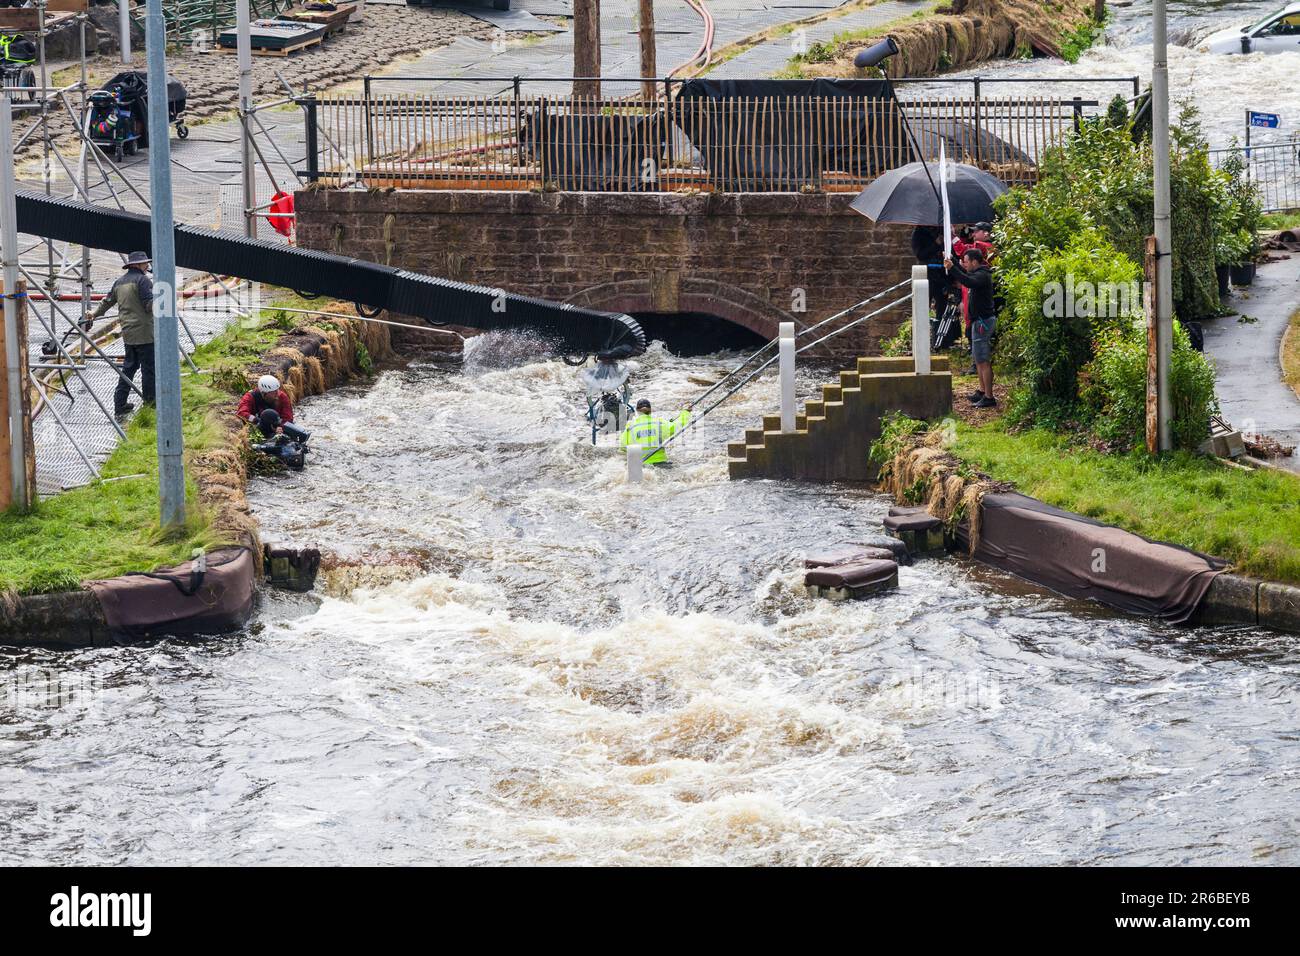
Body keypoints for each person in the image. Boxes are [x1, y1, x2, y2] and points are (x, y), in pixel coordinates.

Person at [86, 251, 155, 417]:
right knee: (148, 369)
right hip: (145, 333)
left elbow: (107, 301)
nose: (147, 266)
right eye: (145, 263)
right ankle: (150, 403)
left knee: (129, 368)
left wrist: (93, 314)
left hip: (128, 333)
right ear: (138, 265)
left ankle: (120, 403)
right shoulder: (143, 280)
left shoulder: (119, 282)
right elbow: (148, 305)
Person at [945, 247, 997, 409]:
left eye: (966, 262)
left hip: (982, 322)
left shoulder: (982, 275)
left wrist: (952, 268)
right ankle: (982, 391)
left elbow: (967, 281)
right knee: (978, 358)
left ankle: (989, 396)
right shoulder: (976, 272)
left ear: (974, 262)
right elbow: (966, 275)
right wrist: (953, 261)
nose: (964, 265)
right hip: (977, 321)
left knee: (982, 360)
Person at [620, 397, 690, 465]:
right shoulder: (659, 423)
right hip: (661, 463)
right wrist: (686, 412)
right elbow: (678, 425)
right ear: (650, 410)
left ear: (637, 411)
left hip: (641, 466)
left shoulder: (630, 428)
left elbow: (623, 448)